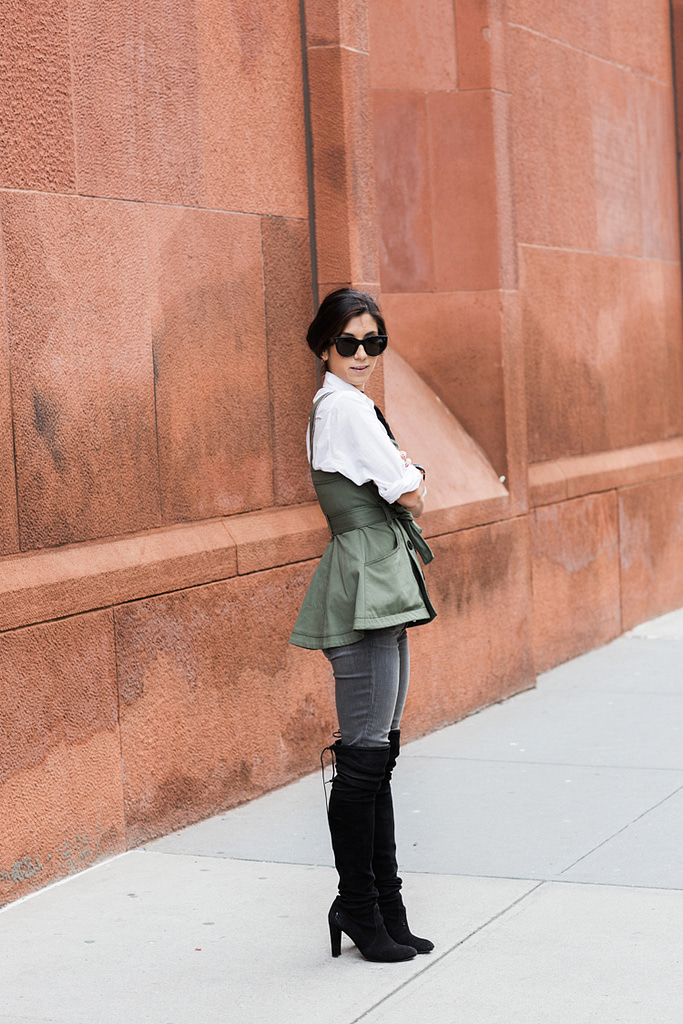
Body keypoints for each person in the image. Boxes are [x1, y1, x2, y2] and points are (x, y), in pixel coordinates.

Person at [289, 288, 437, 963]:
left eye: (373, 343)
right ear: (324, 345)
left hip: (379, 577)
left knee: (378, 753)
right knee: (365, 755)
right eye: (348, 342)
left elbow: (401, 489)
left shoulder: (344, 405)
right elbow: (409, 493)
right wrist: (415, 472)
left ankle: (385, 907)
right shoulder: (345, 409)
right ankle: (358, 905)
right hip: (364, 583)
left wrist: (408, 476)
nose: (361, 354)